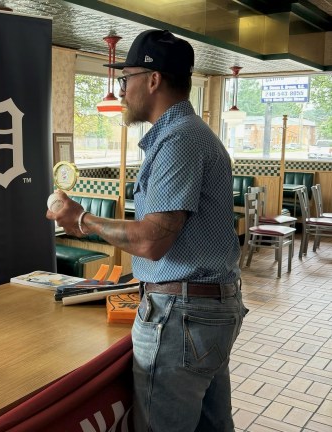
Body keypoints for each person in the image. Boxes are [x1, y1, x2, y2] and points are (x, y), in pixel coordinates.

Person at [47, 29, 247, 431]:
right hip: (206, 308)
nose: (122, 91)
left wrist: (82, 221)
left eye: (126, 79)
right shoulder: (192, 135)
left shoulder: (179, 140)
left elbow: (154, 240)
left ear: (153, 80)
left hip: (181, 314)